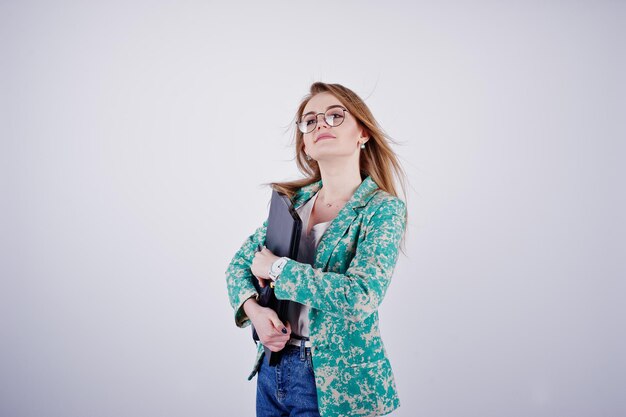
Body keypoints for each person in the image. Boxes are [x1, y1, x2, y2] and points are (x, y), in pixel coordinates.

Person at [225, 82, 408, 417]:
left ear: (362, 134)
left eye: (335, 115)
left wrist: (278, 269)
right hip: (273, 369)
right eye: (310, 121)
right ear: (306, 145)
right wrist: (255, 311)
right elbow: (239, 266)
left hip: (339, 385)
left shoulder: (382, 209)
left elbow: (361, 296)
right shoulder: (292, 203)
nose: (321, 123)